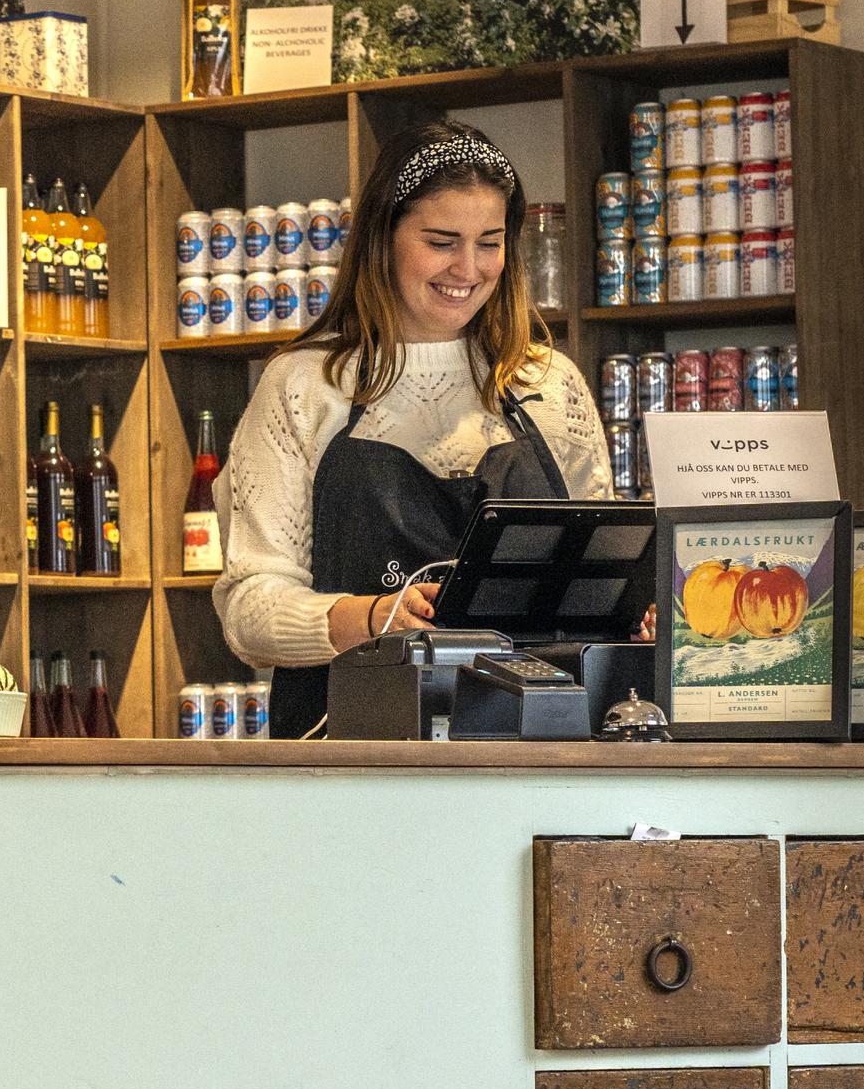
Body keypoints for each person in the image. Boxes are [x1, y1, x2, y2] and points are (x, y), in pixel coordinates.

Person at [211, 116, 613, 735]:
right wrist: (373, 618)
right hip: (352, 757)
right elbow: (248, 612)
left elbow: (601, 582)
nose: (469, 268)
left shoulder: (551, 386)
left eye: (490, 242)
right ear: (383, 237)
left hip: (532, 754)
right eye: (442, 241)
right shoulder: (303, 385)